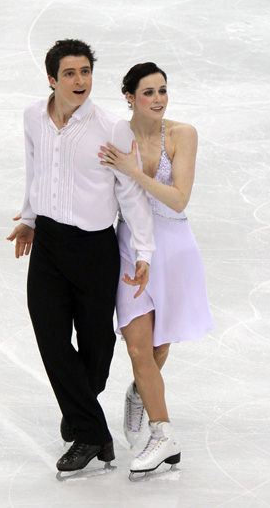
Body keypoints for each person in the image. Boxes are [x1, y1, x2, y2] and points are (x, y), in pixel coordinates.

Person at [6, 40, 155, 473]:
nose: (79, 81)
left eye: (85, 72)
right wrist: (30, 218)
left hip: (94, 248)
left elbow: (131, 192)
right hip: (49, 244)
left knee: (96, 344)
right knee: (51, 336)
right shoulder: (34, 116)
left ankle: (82, 418)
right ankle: (92, 433)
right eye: (69, 73)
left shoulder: (111, 127)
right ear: (51, 79)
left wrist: (143, 251)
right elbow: (35, 166)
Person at [98, 62, 215, 477]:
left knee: (158, 349)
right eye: (148, 92)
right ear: (129, 96)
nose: (159, 99)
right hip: (130, 247)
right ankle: (164, 434)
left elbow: (179, 199)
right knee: (136, 346)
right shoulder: (116, 135)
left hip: (175, 249)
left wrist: (133, 172)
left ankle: (138, 394)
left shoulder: (183, 134)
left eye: (163, 90)